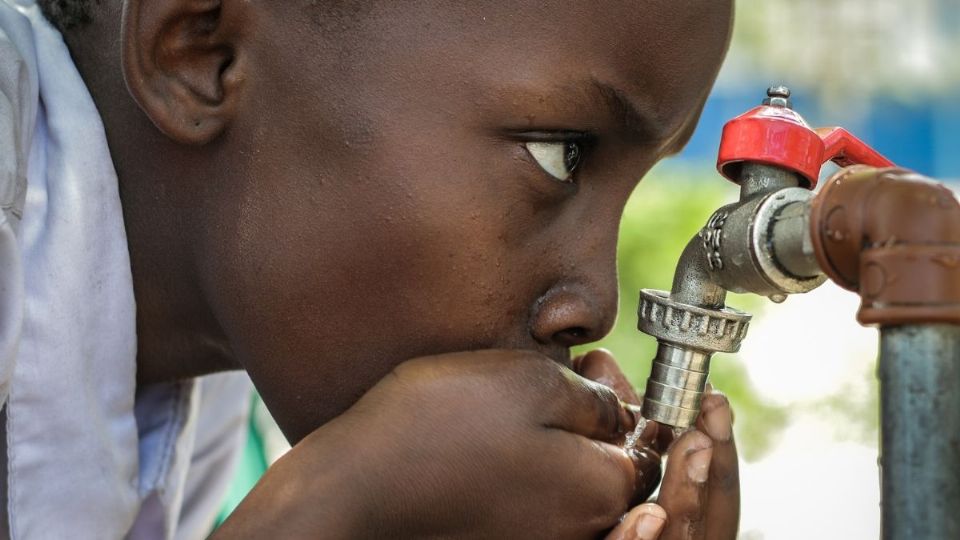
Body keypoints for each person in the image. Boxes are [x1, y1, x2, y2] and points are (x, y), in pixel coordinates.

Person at [0, 0, 739, 538]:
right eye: (561, 153)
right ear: (203, 56)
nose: (595, 304)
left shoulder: (196, 393)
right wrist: (327, 510)